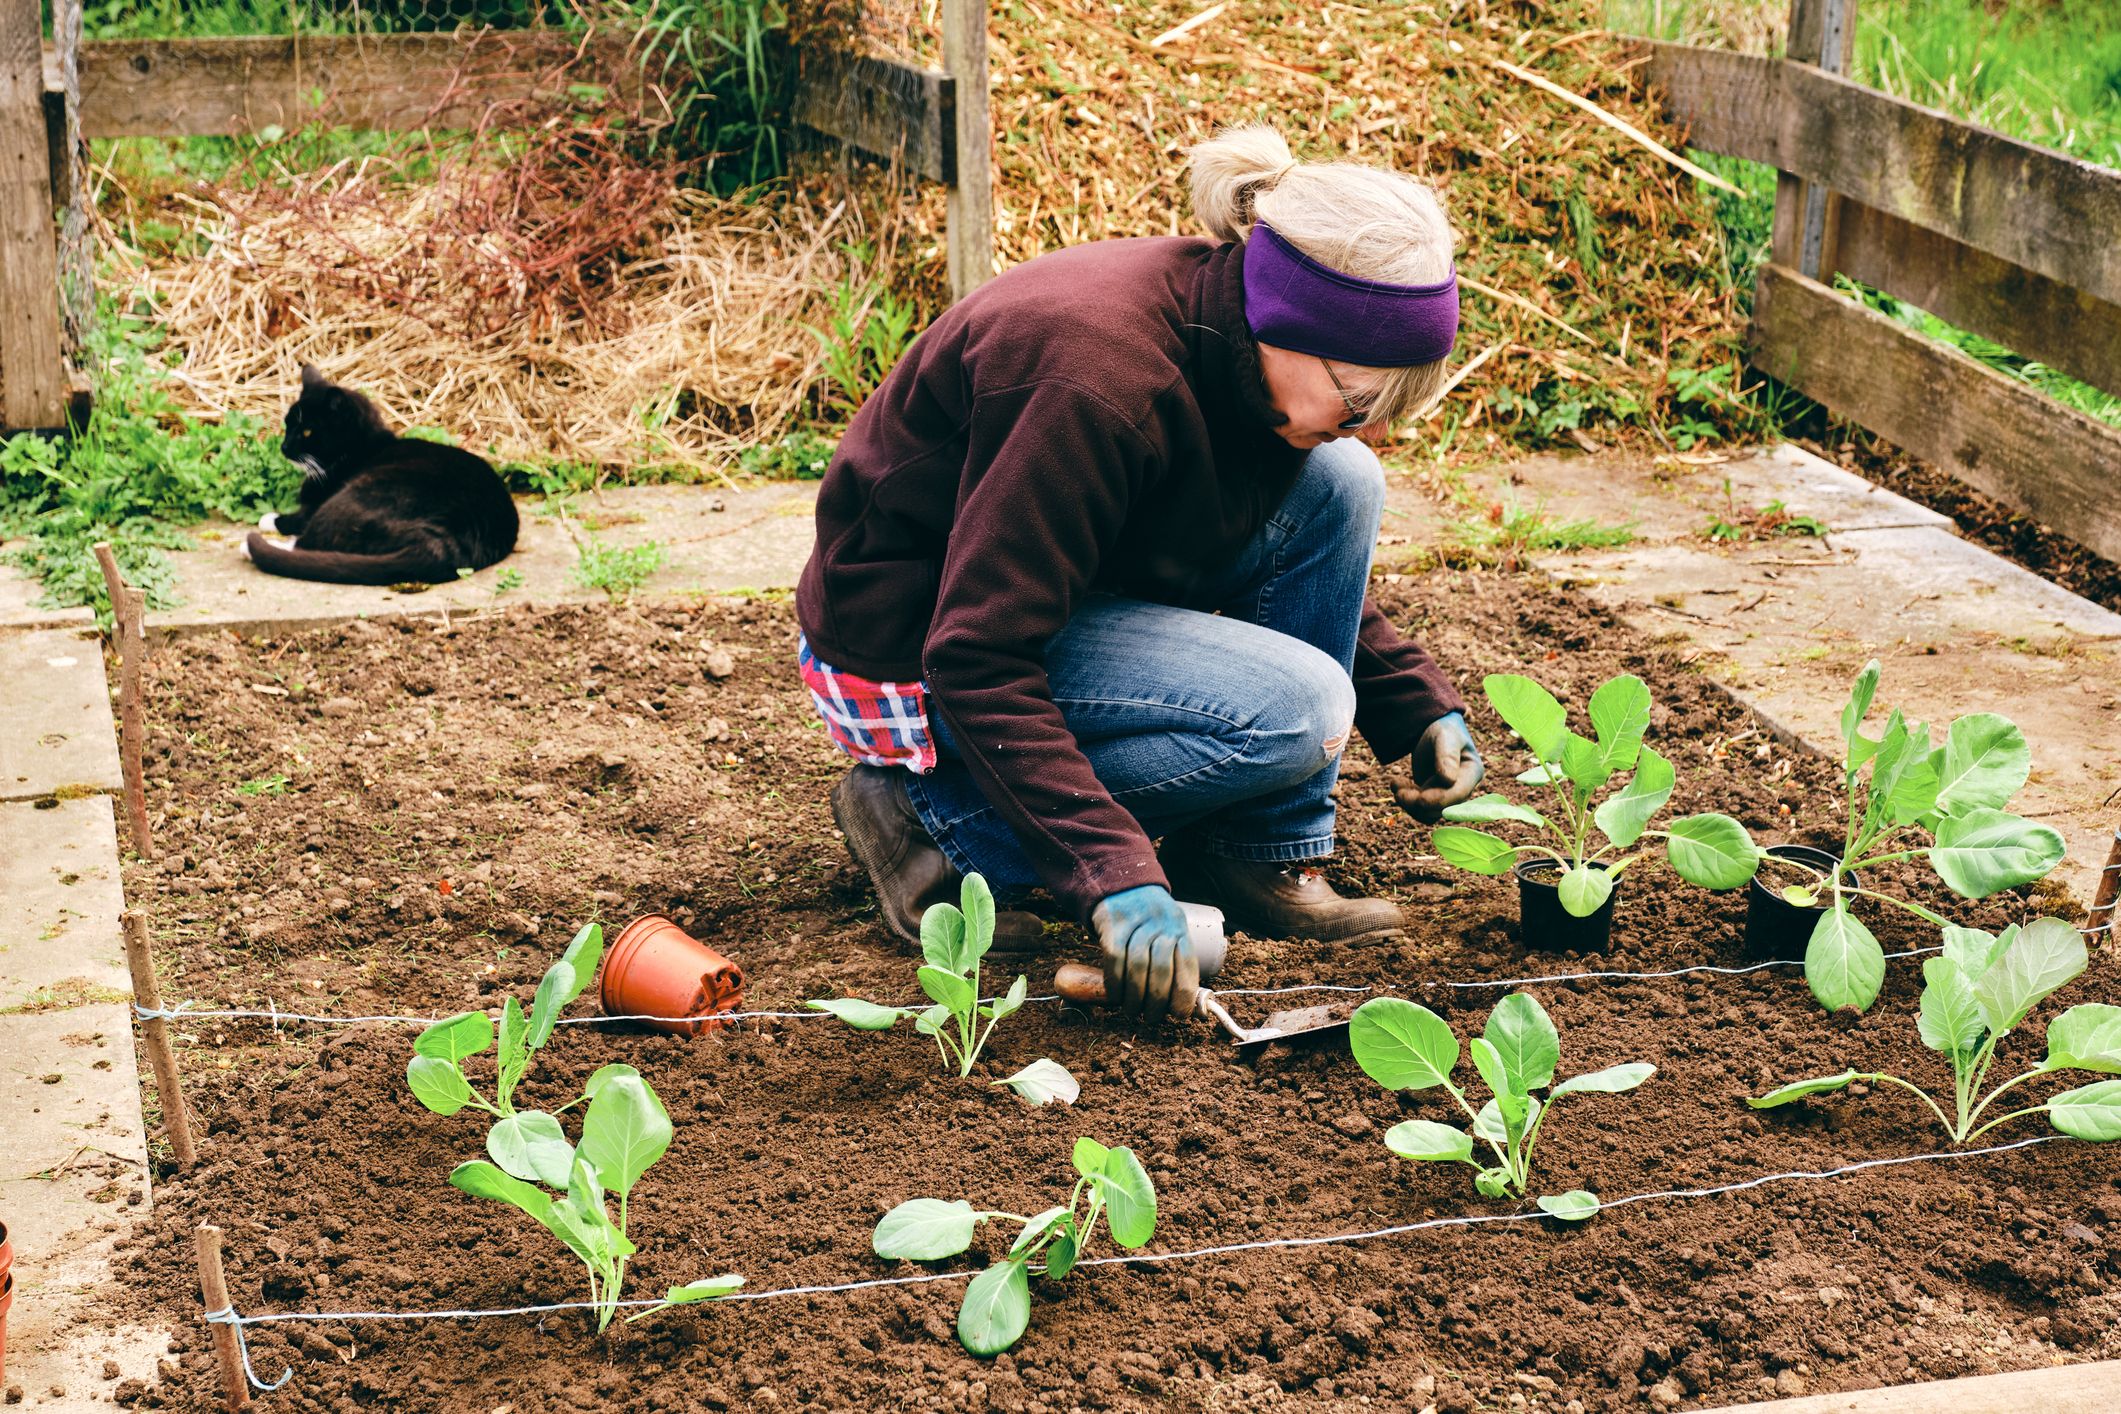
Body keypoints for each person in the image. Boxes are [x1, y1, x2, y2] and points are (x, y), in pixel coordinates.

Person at [796, 124, 1486, 1023]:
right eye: (1361, 403)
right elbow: (976, 653)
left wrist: (1410, 698)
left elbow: (1255, 526)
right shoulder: (1097, 379)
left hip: (1064, 580)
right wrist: (1109, 875)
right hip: (912, 637)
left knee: (1340, 479)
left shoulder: (1235, 342)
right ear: (1287, 326)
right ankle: (936, 826)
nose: (1379, 427)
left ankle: (1255, 849)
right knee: (1295, 712)